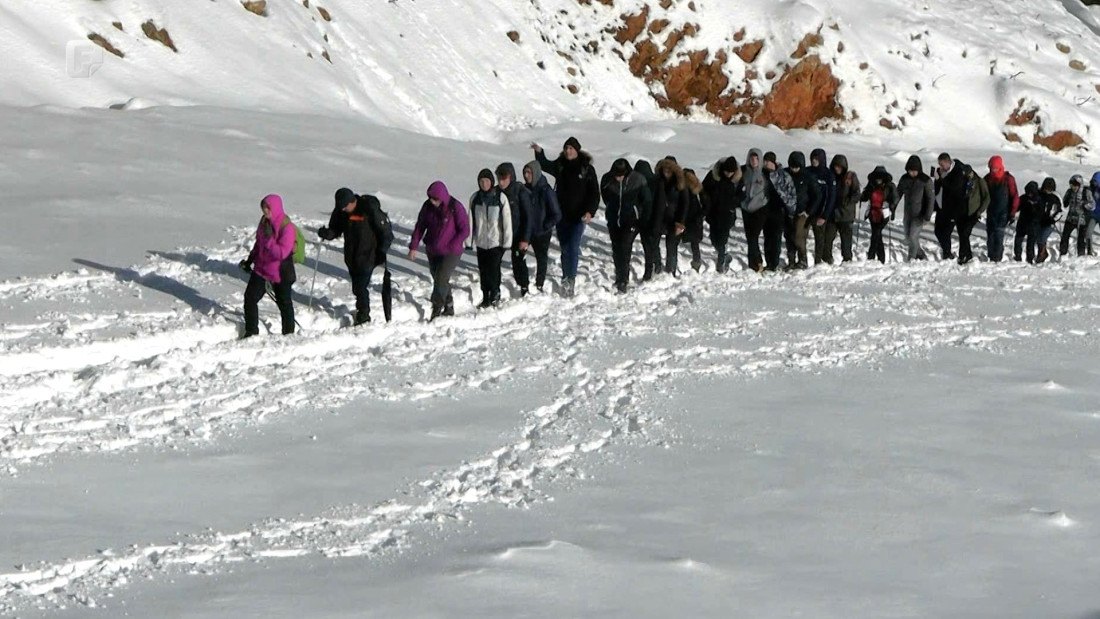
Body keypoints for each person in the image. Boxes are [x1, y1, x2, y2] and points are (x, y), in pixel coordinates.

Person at [532, 137, 600, 297]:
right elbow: (545, 165)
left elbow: (594, 193)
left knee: (573, 246)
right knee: (564, 248)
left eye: (571, 148)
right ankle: (565, 277)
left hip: (579, 215)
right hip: (562, 215)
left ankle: (572, 279)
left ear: (577, 150)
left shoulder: (586, 169)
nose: (568, 151)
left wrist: (590, 211)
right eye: (566, 148)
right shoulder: (560, 165)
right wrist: (539, 153)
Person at [318, 188, 389, 325]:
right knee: (357, 286)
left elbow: (385, 232)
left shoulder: (368, 209)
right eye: (341, 207)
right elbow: (335, 229)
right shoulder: (341, 211)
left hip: (369, 254)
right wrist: (327, 233)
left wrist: (382, 251)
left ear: (352, 201)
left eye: (345, 207)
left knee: (361, 287)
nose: (343, 209)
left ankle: (364, 316)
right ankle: (362, 311)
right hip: (351, 256)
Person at [408, 181, 470, 320]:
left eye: (435, 199)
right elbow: (420, 227)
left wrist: (454, 244)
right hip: (433, 249)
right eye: (430, 198)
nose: (432, 201)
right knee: (438, 277)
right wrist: (414, 246)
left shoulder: (455, 207)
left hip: (451, 251)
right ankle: (449, 305)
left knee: (441, 277)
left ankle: (436, 308)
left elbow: (465, 229)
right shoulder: (427, 207)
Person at [239, 194, 297, 337]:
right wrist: (250, 260)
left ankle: (289, 335)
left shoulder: (287, 227)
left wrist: (269, 240)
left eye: (267, 208)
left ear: (275, 208)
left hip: (280, 272)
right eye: (263, 208)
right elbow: (259, 244)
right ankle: (251, 332)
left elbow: (283, 253)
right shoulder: (264, 222)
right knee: (250, 298)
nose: (265, 211)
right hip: (261, 269)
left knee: (284, 304)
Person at [600, 158, 651, 293]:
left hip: (631, 220)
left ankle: (623, 280)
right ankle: (619, 275)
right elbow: (605, 196)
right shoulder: (607, 179)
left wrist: (640, 215)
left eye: (621, 175)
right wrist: (611, 208)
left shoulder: (638, 179)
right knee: (616, 248)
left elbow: (646, 200)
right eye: (616, 175)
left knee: (625, 246)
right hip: (614, 218)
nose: (618, 178)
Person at [468, 169, 513, 307]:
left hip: (496, 242)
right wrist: (469, 240)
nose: (484, 184)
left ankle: (495, 293)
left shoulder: (500, 197)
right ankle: (485, 295)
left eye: (487, 181)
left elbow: (506, 220)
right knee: (483, 270)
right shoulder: (475, 198)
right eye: (481, 181)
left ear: (491, 182)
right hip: (481, 242)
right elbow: (470, 220)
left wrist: (507, 241)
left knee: (494, 269)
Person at [495, 163, 537, 296]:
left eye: (504, 178)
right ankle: (494, 290)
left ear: (511, 177)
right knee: (494, 262)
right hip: (500, 234)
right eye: (499, 178)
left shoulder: (520, 192)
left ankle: (524, 286)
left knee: (518, 261)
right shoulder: (496, 192)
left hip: (518, 234)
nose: (501, 182)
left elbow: (529, 217)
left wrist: (525, 239)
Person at [521, 160, 562, 293]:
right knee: (520, 257)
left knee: (541, 258)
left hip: (542, 232)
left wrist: (546, 225)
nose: (526, 176)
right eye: (525, 172)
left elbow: (556, 214)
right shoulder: (524, 189)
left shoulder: (546, 190)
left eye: (529, 172)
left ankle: (540, 283)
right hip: (527, 231)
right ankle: (523, 284)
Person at [647, 156, 689, 276]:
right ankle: (657, 266)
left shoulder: (680, 182)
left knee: (672, 246)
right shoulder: (657, 181)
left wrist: (681, 222)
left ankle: (671, 270)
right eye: (665, 170)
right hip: (658, 217)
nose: (667, 173)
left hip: (673, 218)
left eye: (669, 171)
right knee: (654, 243)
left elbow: (685, 203)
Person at [702, 155, 742, 273]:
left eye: (731, 172)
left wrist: (734, 202)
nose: (729, 174)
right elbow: (703, 190)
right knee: (713, 238)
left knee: (722, 238)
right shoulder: (713, 176)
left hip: (727, 213)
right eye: (727, 171)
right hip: (714, 213)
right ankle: (725, 255)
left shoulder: (737, 180)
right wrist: (707, 202)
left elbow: (742, 193)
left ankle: (721, 260)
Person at [894, 155, 934, 261]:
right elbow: (898, 194)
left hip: (920, 215)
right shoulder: (904, 179)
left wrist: (927, 215)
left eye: (915, 171)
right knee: (909, 238)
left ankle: (910, 259)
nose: (912, 173)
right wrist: (892, 207)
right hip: (908, 214)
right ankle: (921, 256)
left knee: (913, 237)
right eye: (910, 171)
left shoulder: (925, 180)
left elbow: (930, 199)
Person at [761, 151, 797, 271]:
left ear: (774, 162)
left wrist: (791, 209)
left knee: (776, 238)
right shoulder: (761, 175)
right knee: (767, 237)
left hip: (779, 210)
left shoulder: (783, 175)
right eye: (765, 161)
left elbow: (791, 193)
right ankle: (768, 262)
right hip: (765, 209)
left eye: (769, 162)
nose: (766, 164)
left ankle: (774, 263)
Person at [785, 151, 820, 270]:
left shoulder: (808, 177)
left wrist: (808, 211)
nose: (794, 169)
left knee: (798, 236)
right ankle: (791, 260)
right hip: (788, 211)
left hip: (802, 212)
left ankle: (802, 260)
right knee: (788, 236)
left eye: (797, 167)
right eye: (792, 167)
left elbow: (817, 195)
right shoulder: (785, 174)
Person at [983, 156, 1019, 263]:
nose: (993, 170)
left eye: (995, 168)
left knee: (999, 235)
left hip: (1004, 212)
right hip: (991, 211)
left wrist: (1013, 213)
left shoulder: (1008, 179)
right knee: (990, 236)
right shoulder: (987, 179)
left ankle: (997, 258)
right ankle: (991, 256)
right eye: (991, 168)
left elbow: (1015, 196)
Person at [860, 167, 898, 263]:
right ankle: (881, 258)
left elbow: (895, 198)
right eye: (877, 178)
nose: (878, 180)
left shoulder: (890, 186)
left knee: (876, 233)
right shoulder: (871, 185)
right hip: (872, 213)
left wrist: (892, 207)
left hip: (884, 213)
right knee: (877, 235)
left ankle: (871, 256)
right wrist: (861, 197)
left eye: (880, 178)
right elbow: (865, 196)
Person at [740, 148, 769, 271]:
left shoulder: (765, 173)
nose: (754, 161)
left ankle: (757, 261)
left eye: (756, 159)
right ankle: (753, 262)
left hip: (760, 207)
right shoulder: (743, 171)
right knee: (749, 236)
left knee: (754, 236)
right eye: (751, 159)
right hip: (746, 207)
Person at [934, 152, 967, 260]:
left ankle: (947, 253)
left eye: (942, 164)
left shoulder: (957, 171)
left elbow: (953, 188)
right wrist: (936, 180)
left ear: (948, 162)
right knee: (938, 231)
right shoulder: (942, 172)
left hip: (954, 209)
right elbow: (938, 188)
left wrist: (940, 179)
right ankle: (946, 251)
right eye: (939, 164)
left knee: (946, 232)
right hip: (941, 207)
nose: (941, 167)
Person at [808, 148, 837, 265]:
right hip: (807, 210)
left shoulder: (828, 175)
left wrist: (824, 215)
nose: (814, 161)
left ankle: (818, 261)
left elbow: (831, 197)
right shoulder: (808, 171)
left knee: (820, 239)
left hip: (820, 212)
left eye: (817, 159)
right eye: (813, 159)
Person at [956, 164, 990, 264]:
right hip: (962, 211)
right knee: (961, 234)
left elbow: (986, 197)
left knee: (965, 233)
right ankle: (967, 254)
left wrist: (979, 211)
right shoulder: (962, 180)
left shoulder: (979, 181)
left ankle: (963, 255)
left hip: (973, 212)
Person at [830, 154, 860, 262]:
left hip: (846, 214)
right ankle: (827, 258)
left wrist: (847, 201)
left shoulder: (850, 177)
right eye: (835, 166)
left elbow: (857, 194)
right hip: (833, 214)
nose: (837, 168)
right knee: (829, 237)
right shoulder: (831, 176)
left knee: (846, 240)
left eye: (839, 166)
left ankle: (847, 259)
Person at [1060, 174, 1093, 257]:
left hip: (1082, 219)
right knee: (1065, 237)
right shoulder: (1069, 192)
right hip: (1070, 218)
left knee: (1081, 239)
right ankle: (1063, 254)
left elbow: (1092, 205)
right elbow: (1064, 203)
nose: (1073, 187)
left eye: (1075, 185)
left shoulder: (1086, 192)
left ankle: (1081, 255)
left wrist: (1085, 204)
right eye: (1071, 185)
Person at [682, 168, 707, 272]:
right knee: (694, 242)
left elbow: (706, 204)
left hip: (691, 217)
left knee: (693, 242)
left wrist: (700, 215)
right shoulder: (696, 187)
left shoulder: (695, 188)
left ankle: (696, 263)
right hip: (689, 217)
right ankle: (696, 262)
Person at [1014, 181, 1042, 263]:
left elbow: (1040, 213)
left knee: (1030, 244)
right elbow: (1017, 207)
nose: (1029, 194)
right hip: (1022, 223)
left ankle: (1030, 259)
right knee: (1018, 241)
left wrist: (1034, 212)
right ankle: (1017, 256)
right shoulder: (1023, 198)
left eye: (1031, 192)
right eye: (1027, 192)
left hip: (1033, 225)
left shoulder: (1039, 200)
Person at [1037, 177, 1062, 264]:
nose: (1047, 190)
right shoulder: (1039, 194)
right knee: (1038, 237)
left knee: (1042, 237)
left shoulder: (1055, 197)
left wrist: (1054, 219)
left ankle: (1042, 254)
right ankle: (1042, 252)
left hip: (1050, 222)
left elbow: (1060, 211)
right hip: (1039, 221)